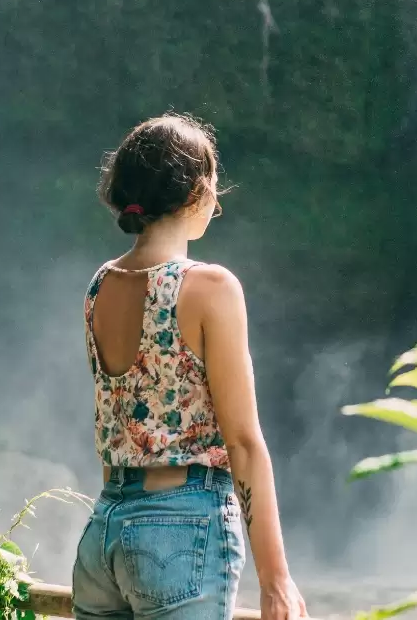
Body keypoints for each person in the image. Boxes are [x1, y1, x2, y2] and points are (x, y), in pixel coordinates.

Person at [73, 113, 308, 620]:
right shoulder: (210, 288)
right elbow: (243, 442)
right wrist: (276, 580)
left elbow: (120, 423)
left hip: (104, 533)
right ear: (197, 192)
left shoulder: (99, 286)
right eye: (214, 187)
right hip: (178, 536)